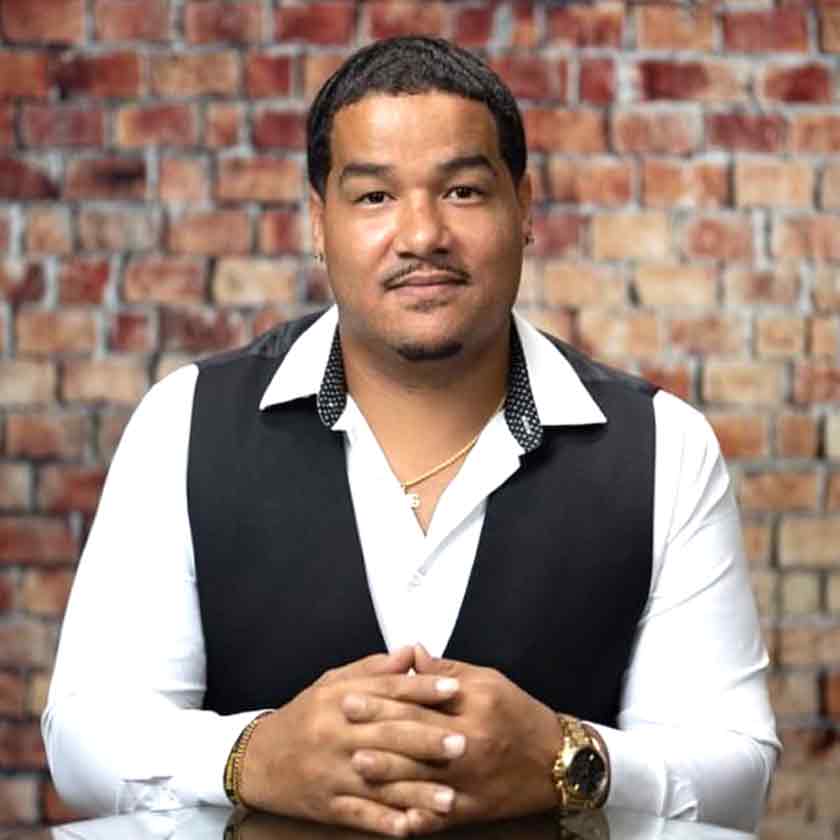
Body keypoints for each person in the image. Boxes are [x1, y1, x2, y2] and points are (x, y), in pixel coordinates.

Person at [43, 36, 779, 837]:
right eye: (373, 197)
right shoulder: (183, 423)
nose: (422, 233)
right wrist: (251, 756)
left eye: (463, 191)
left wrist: (567, 754)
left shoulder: (665, 447)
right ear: (318, 222)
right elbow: (84, 735)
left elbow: (736, 773)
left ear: (525, 209)